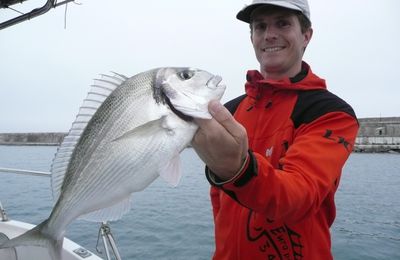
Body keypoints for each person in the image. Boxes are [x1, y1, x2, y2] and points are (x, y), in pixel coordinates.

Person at [191, 0, 359, 259]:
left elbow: (299, 195)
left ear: (306, 35)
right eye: (260, 26)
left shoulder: (331, 113)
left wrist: (238, 169)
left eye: (282, 23)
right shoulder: (230, 111)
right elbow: (220, 202)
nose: (270, 34)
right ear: (252, 38)